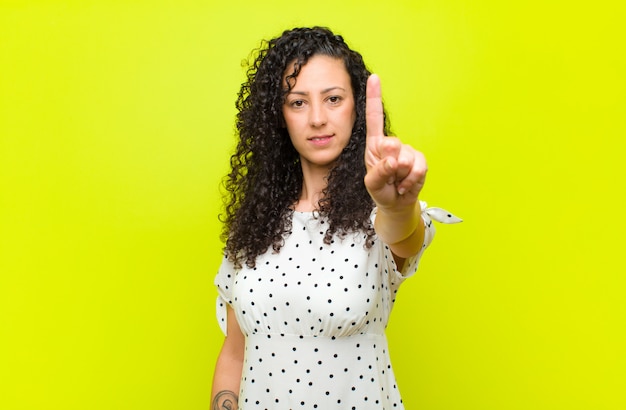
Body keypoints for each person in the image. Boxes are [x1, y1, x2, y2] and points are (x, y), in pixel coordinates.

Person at [211, 26, 460, 410]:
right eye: (297, 102)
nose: (316, 118)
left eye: (333, 99)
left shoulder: (379, 216)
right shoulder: (253, 228)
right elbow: (234, 352)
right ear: (279, 117)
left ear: (356, 107)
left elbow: (405, 236)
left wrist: (396, 205)